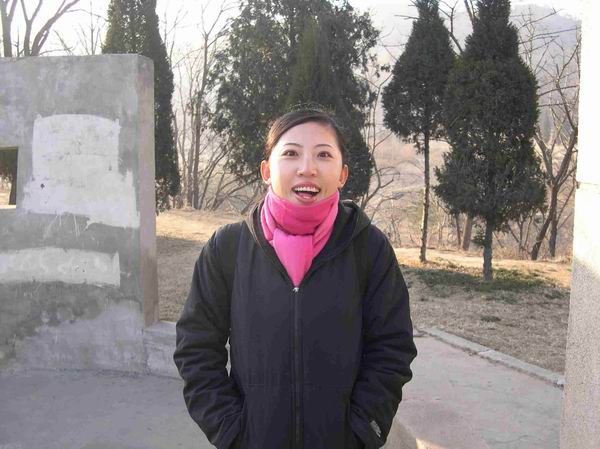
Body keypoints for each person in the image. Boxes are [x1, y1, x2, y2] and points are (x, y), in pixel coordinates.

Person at [173, 107, 418, 449]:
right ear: (266, 170)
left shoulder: (368, 247)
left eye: (323, 155)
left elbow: (392, 347)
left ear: (343, 174)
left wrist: (363, 430)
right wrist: (230, 431)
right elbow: (196, 348)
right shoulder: (227, 248)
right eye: (291, 153)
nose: (307, 168)